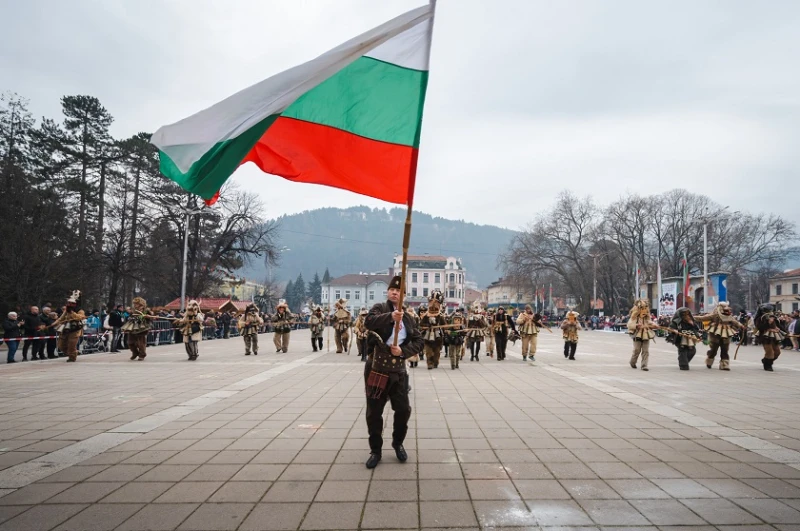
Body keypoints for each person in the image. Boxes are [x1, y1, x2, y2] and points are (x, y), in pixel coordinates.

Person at [363, 275, 423, 469]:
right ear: (388, 292)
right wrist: (390, 317)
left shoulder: (409, 318)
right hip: (378, 369)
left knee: (403, 410)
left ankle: (398, 443)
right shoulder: (379, 309)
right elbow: (369, 323)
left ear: (403, 295)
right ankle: (376, 451)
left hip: (398, 370)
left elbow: (419, 341)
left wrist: (403, 351)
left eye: (399, 291)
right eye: (392, 290)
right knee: (374, 412)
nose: (395, 292)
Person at [696, 301, 745, 371]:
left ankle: (724, 365)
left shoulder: (729, 315)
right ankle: (709, 360)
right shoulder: (715, 315)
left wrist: (741, 325)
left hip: (726, 333)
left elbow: (734, 321)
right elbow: (704, 318)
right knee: (714, 349)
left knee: (725, 349)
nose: (726, 309)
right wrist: (693, 317)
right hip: (715, 333)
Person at [51, 291, 86, 362]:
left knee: (71, 345)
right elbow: (61, 318)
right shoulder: (66, 311)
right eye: (69, 303)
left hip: (75, 329)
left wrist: (72, 313)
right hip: (65, 328)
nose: (69, 304)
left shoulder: (80, 310)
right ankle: (73, 353)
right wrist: (54, 323)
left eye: (71, 303)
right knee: (61, 345)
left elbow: (80, 317)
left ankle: (72, 357)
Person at [754, 304, 787, 372]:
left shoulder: (774, 318)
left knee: (777, 352)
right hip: (765, 337)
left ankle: (765, 360)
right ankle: (768, 365)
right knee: (769, 352)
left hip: (774, 337)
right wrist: (768, 323)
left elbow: (779, 326)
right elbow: (760, 327)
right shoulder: (760, 318)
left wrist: (785, 332)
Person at [627, 299, 658, 371]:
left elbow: (650, 322)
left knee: (645, 351)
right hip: (637, 335)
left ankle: (644, 365)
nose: (644, 310)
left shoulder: (647, 318)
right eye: (642, 308)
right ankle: (632, 362)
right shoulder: (634, 317)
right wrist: (636, 325)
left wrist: (654, 325)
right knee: (636, 350)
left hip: (646, 335)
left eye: (645, 308)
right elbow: (629, 324)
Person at [121, 297, 155, 361]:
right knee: (130, 342)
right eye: (134, 303)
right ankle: (135, 352)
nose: (135, 305)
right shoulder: (133, 310)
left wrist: (147, 317)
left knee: (140, 343)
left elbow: (151, 317)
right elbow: (130, 317)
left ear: (140, 304)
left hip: (142, 328)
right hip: (133, 327)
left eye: (136, 303)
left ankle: (142, 354)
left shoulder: (146, 310)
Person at [419, 290, 446, 369]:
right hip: (427, 336)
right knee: (428, 351)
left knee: (437, 352)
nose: (433, 306)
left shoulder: (440, 316)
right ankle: (429, 363)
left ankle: (435, 362)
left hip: (438, 337)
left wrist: (440, 328)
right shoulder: (426, 316)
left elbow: (444, 325)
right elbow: (421, 324)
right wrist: (427, 325)